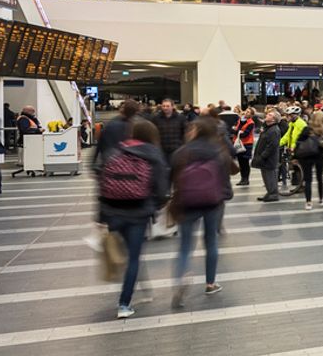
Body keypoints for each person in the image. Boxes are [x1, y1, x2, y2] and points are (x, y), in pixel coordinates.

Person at [96, 117, 169, 319]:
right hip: (138, 213)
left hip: (113, 212)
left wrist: (100, 217)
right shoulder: (153, 154)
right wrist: (155, 207)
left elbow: (102, 185)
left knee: (126, 254)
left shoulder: (116, 151)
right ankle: (124, 303)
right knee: (134, 258)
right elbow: (162, 190)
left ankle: (144, 289)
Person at [168, 117, 232, 306]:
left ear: (195, 131)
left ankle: (181, 278)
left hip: (187, 202)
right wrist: (224, 196)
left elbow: (172, 178)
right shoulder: (218, 151)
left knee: (185, 245)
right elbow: (225, 179)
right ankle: (210, 283)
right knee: (211, 241)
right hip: (212, 202)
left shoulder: (182, 152)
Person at [295, 110, 323, 209]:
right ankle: (321, 198)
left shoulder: (307, 129)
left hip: (305, 156)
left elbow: (298, 142)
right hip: (318, 156)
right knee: (320, 178)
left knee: (308, 179)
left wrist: (295, 156)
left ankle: (308, 202)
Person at [252, 109, 282, 202]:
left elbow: (272, 146)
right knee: (266, 176)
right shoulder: (267, 128)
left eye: (269, 115)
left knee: (270, 176)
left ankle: (273, 194)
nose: (266, 115)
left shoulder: (274, 130)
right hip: (264, 157)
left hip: (269, 158)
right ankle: (269, 192)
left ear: (273, 119)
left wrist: (263, 156)